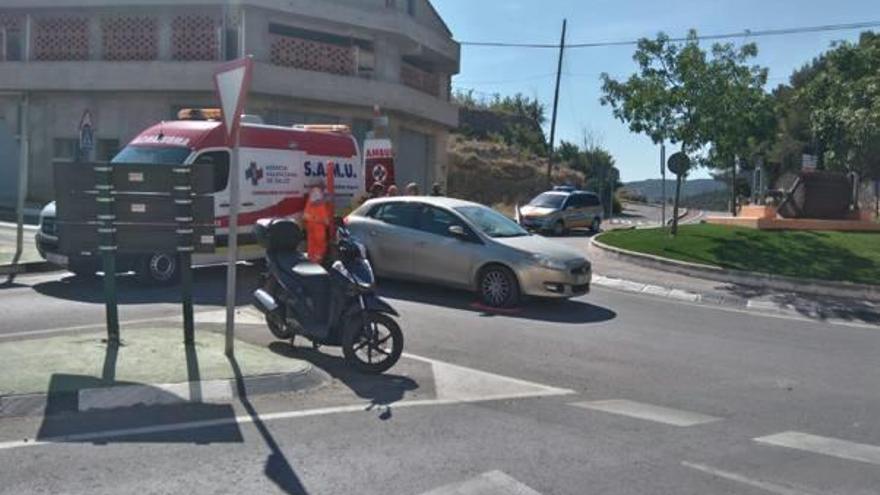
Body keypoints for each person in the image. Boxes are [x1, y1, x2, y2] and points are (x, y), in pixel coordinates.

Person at [303, 186, 332, 264]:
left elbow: (306, 215)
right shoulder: (321, 204)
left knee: (312, 243)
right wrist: (326, 222)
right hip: (319, 226)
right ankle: (317, 261)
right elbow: (324, 218)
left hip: (311, 225)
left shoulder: (310, 200)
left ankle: (312, 259)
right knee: (320, 244)